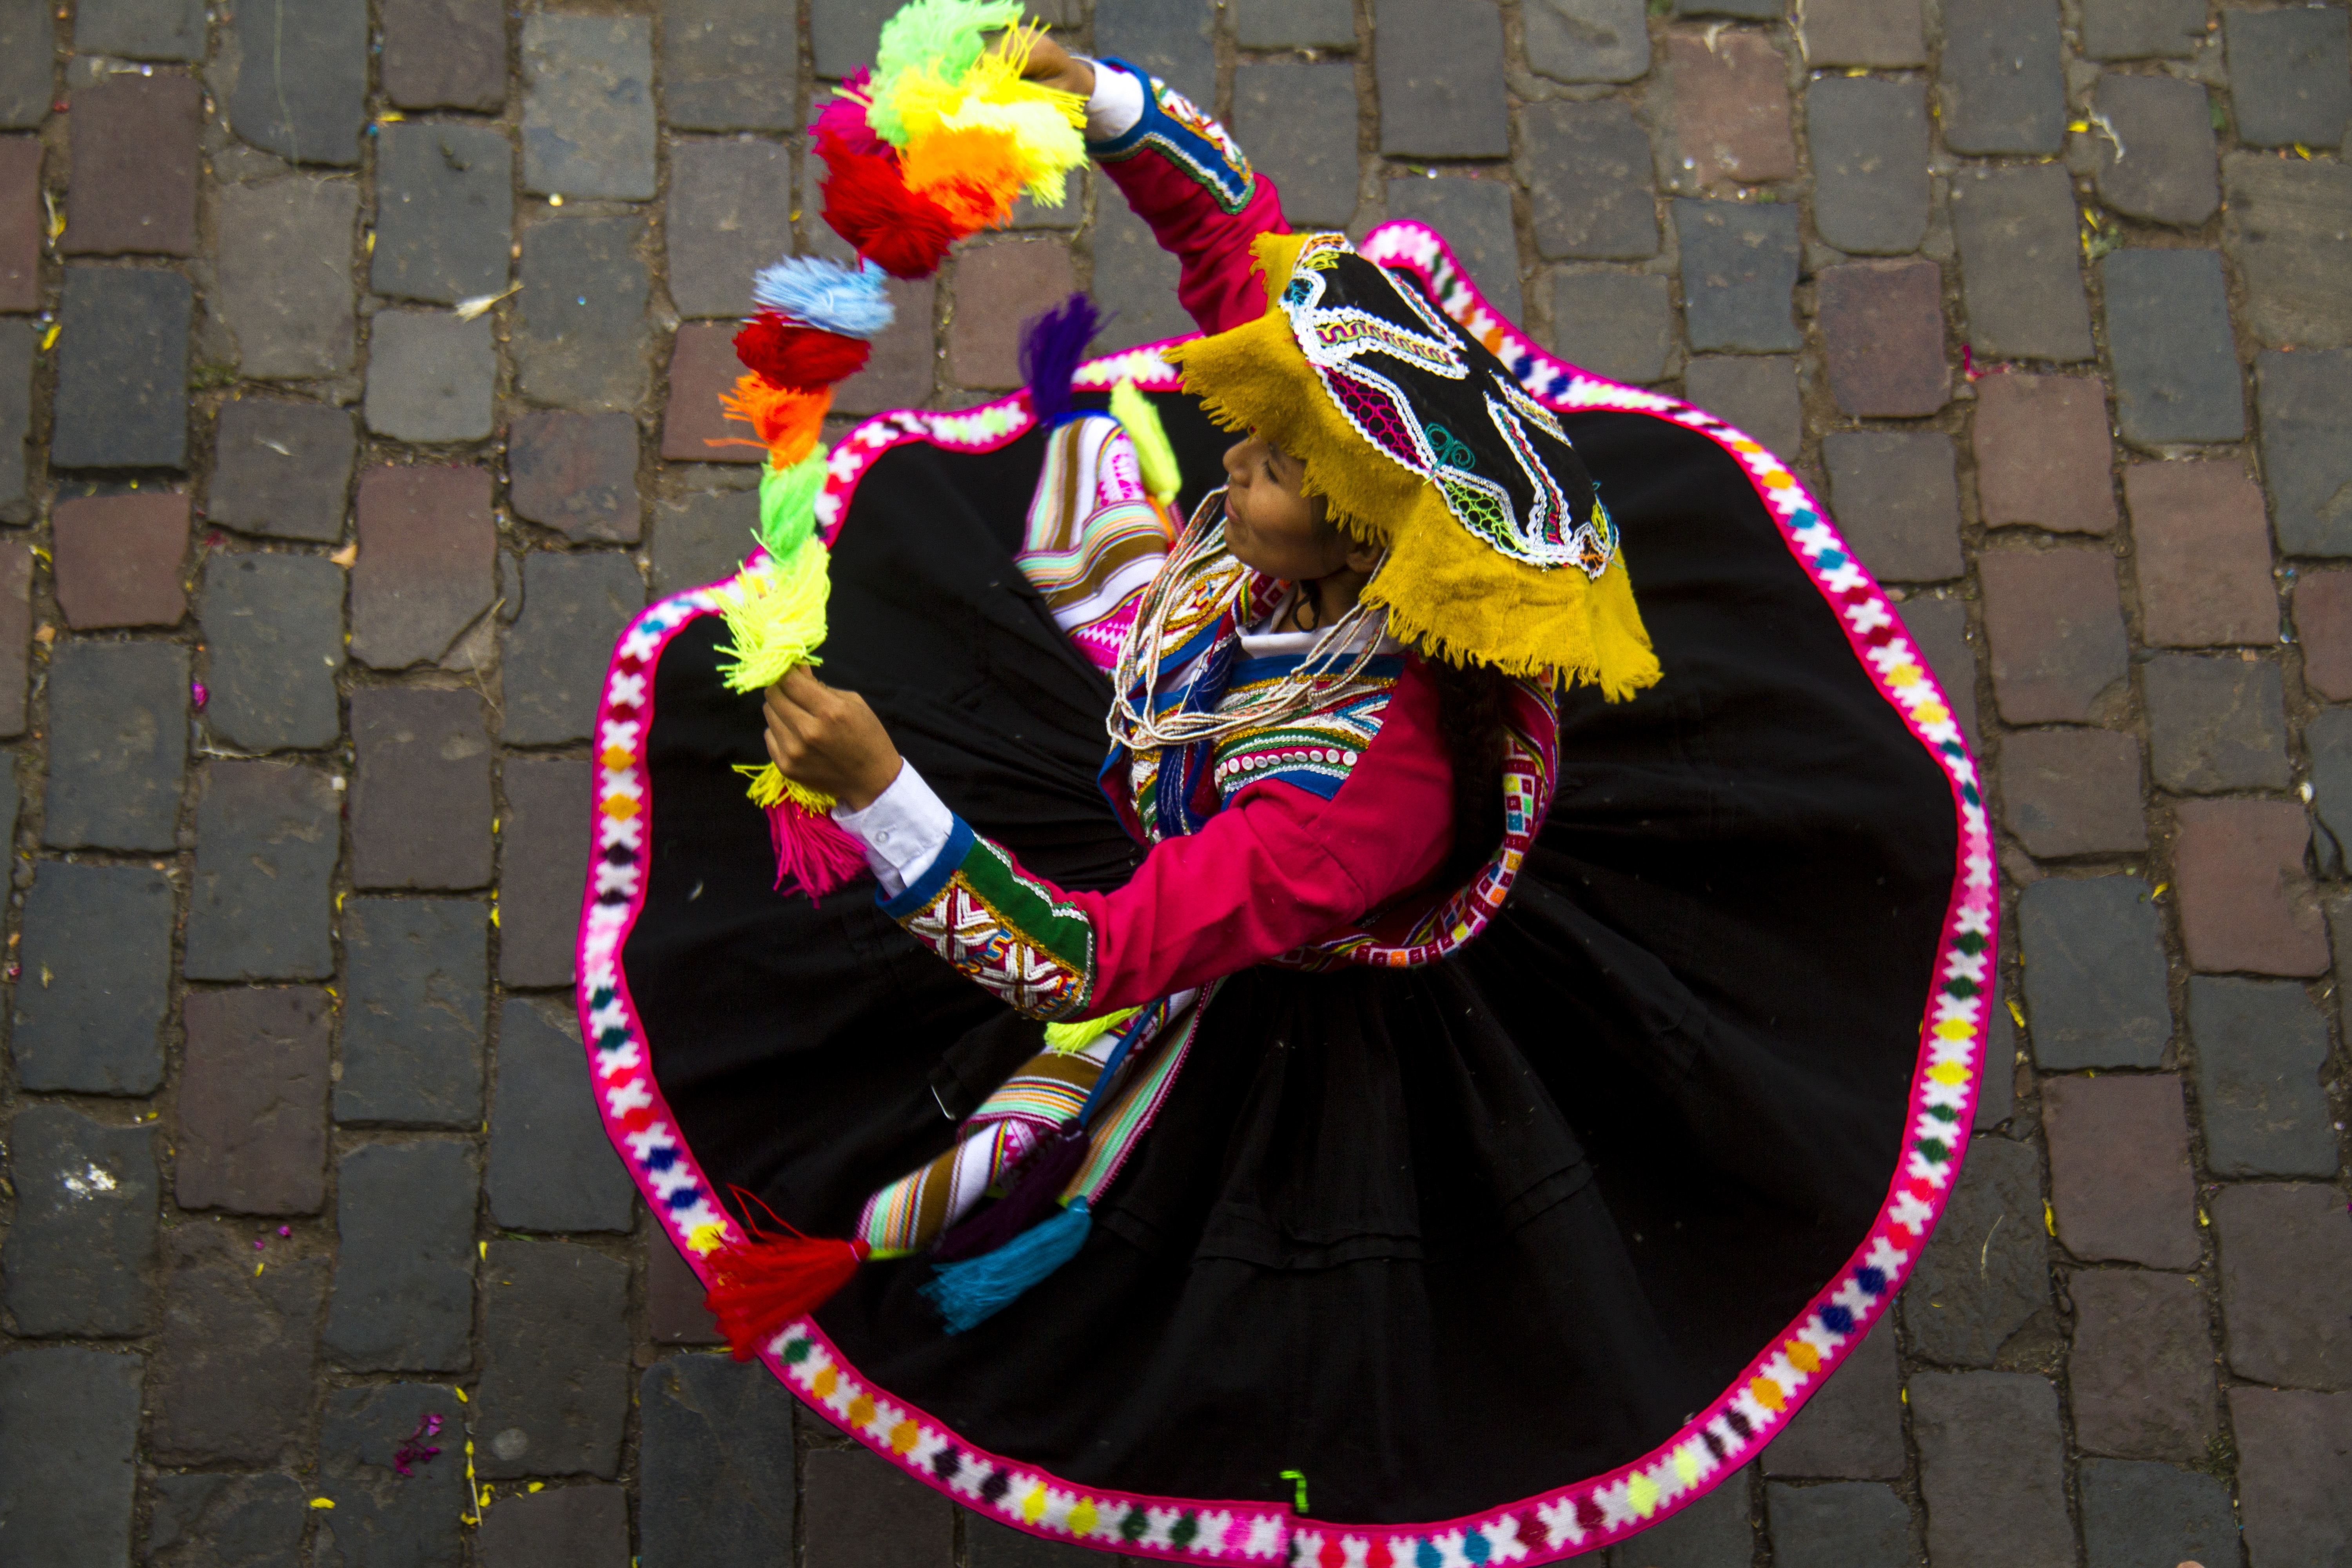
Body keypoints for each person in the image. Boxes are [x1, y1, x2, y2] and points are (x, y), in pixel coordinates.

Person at [584, 28, 1988, 1563]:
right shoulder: (1315, 471)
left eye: (1261, 468)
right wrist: (1096, 95)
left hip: (1264, 941)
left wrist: (882, 791)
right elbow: (1229, 232)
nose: (1225, 442)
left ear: (1367, 543)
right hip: (1194, 769)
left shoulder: (1354, 800)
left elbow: (1085, 961)